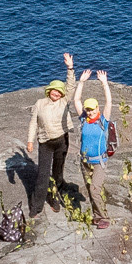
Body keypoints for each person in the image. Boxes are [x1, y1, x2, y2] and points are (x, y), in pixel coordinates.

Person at [23, 53, 79, 215]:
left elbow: (70, 86)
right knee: (42, 176)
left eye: (59, 92)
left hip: (62, 141)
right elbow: (33, 122)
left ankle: (54, 198)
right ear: (49, 91)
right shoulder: (40, 104)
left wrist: (70, 68)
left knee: (57, 172)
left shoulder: (64, 101)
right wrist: (30, 141)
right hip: (46, 143)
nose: (57, 94)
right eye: (54, 91)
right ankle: (36, 206)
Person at [73, 69, 115, 228]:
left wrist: (104, 83)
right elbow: (76, 100)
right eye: (88, 109)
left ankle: (104, 218)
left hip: (99, 162)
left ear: (97, 108)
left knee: (95, 189)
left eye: (93, 109)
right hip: (85, 161)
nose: (90, 112)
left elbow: (109, 102)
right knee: (91, 190)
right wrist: (81, 82)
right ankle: (97, 216)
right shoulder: (84, 119)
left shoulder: (103, 120)